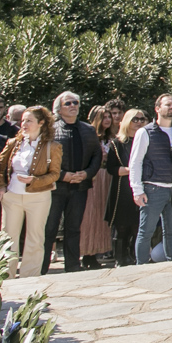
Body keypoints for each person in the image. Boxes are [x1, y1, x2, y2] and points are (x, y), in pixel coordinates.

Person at [0, 106, 62, 278]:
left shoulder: (53, 146)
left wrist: (35, 180)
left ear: (41, 123)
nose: (24, 124)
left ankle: (30, 276)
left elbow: (55, 174)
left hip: (39, 197)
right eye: (23, 120)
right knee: (8, 236)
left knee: (35, 237)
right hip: (12, 196)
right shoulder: (13, 143)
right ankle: (6, 274)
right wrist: (1, 186)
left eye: (29, 121)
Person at [129, 93, 172, 264]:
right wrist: (137, 190)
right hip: (153, 188)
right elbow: (135, 162)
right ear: (157, 108)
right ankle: (141, 267)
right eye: (168, 104)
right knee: (146, 232)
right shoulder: (145, 132)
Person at [43, 91, 102, 274]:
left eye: (75, 102)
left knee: (74, 227)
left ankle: (73, 266)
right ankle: (41, 267)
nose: (73, 106)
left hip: (80, 186)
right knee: (49, 228)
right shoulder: (50, 129)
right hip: (55, 187)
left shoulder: (88, 130)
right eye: (68, 103)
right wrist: (62, 175)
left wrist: (87, 174)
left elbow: (97, 155)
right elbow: (43, 158)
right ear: (58, 109)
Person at [106, 108, 146, 266]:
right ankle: (120, 258)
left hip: (142, 187)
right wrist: (132, 170)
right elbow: (112, 169)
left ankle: (134, 255)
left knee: (137, 225)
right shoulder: (117, 144)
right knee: (122, 226)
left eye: (141, 119)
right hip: (122, 188)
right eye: (135, 119)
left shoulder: (146, 141)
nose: (138, 123)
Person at [77, 106, 114, 269]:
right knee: (90, 216)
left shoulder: (111, 138)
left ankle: (98, 251)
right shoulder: (89, 136)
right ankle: (87, 253)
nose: (108, 120)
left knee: (102, 216)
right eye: (104, 117)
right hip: (94, 177)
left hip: (108, 177)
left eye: (109, 116)